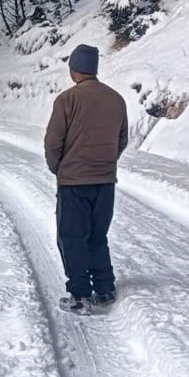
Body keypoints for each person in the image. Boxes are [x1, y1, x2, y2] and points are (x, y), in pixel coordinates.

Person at [45, 44, 129, 316]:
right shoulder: (116, 99)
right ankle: (104, 288)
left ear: (73, 70)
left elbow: (53, 142)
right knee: (97, 235)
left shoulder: (66, 100)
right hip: (105, 181)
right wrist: (106, 162)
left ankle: (79, 295)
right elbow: (122, 139)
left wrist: (59, 168)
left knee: (72, 237)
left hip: (73, 181)